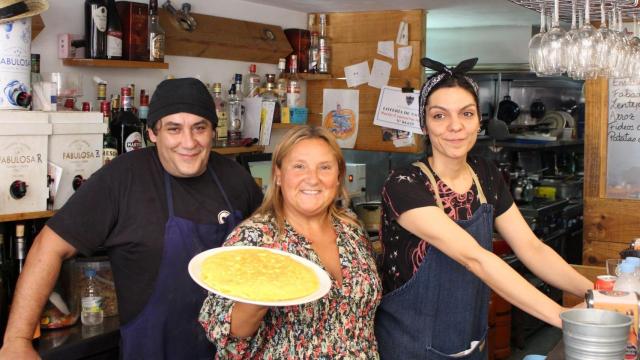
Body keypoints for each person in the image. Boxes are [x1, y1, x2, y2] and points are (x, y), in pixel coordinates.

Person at [0, 78, 263, 360]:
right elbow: (48, 247)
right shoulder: (121, 179)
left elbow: (271, 252)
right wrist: (17, 339)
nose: (189, 142)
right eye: (174, 129)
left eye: (199, 128)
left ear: (212, 130)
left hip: (231, 352)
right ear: (152, 133)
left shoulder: (236, 180)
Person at [374, 58, 592, 359]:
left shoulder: (486, 175)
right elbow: (474, 258)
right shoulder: (404, 183)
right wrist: (562, 317)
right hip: (410, 345)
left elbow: (531, 247)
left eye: (466, 113)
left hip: (470, 341)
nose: (455, 126)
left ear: (479, 120)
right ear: (424, 124)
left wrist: (594, 293)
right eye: (439, 116)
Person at [199, 126, 381, 359]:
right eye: (299, 166)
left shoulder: (352, 229)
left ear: (338, 176)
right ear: (277, 174)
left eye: (324, 167)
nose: (312, 178)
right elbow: (227, 334)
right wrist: (265, 287)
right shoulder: (254, 238)